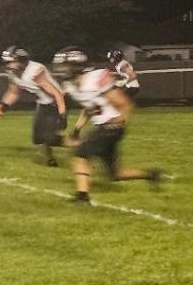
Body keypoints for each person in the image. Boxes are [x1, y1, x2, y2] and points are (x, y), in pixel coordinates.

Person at [51, 46, 161, 205]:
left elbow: (124, 104)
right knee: (115, 174)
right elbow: (89, 109)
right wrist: (76, 129)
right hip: (104, 127)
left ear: (76, 66)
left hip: (112, 126)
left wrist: (118, 124)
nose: (61, 69)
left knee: (80, 155)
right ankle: (151, 174)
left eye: (64, 66)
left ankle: (82, 197)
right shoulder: (72, 85)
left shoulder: (95, 79)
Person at [0, 45, 68, 167]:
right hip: (43, 103)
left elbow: (57, 94)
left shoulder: (35, 72)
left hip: (56, 103)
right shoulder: (13, 73)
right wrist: (4, 104)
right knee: (38, 138)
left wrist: (63, 115)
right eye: (7, 63)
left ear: (21, 60)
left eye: (11, 62)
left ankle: (81, 144)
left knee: (50, 138)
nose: (8, 66)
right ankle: (50, 159)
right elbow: (13, 91)